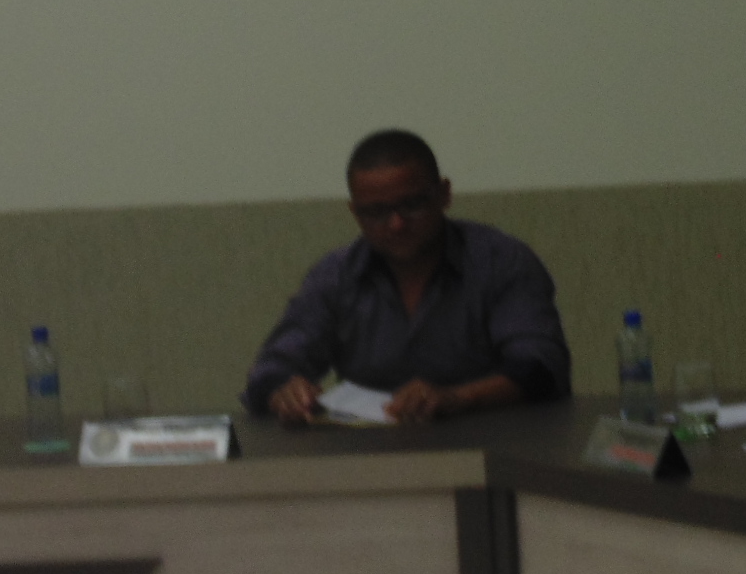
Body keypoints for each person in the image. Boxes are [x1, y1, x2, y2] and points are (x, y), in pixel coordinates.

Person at [244, 129, 570, 424]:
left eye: (412, 205)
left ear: (444, 194)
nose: (397, 224)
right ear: (355, 213)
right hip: (373, 454)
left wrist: (457, 398)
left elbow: (540, 367)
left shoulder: (500, 261)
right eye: (377, 212)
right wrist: (283, 391)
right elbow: (271, 369)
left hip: (496, 446)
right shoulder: (336, 275)